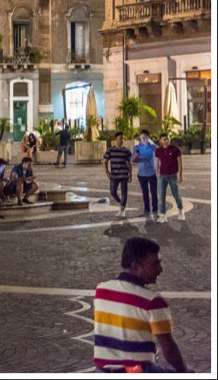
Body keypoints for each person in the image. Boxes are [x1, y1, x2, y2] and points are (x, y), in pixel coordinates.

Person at [93, 237, 188, 372]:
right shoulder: (152, 301)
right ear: (135, 267)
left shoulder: (102, 290)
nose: (160, 269)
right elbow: (169, 350)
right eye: (155, 264)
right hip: (136, 370)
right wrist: (185, 371)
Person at [155, 133, 185, 223]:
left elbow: (180, 163)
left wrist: (180, 176)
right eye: (164, 139)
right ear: (160, 140)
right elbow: (157, 162)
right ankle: (163, 215)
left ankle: (181, 211)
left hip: (172, 176)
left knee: (176, 195)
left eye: (167, 139)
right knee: (161, 196)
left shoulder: (175, 149)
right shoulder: (158, 150)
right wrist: (157, 172)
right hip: (162, 176)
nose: (166, 141)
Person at [103, 132, 132, 219]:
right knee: (112, 192)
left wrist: (130, 174)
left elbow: (129, 163)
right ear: (115, 140)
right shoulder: (110, 150)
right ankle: (121, 202)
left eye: (122, 139)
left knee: (124, 192)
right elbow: (105, 161)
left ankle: (122, 210)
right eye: (120, 138)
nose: (121, 140)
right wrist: (107, 172)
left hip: (124, 174)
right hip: (114, 175)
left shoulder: (126, 151)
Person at [132, 130, 159, 221]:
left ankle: (155, 210)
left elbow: (159, 153)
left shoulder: (153, 147)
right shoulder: (136, 147)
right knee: (145, 193)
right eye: (142, 138)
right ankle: (147, 210)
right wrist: (138, 154)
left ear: (148, 138)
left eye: (145, 137)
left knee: (154, 193)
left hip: (151, 173)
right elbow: (133, 160)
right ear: (139, 138)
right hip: (141, 174)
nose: (143, 139)